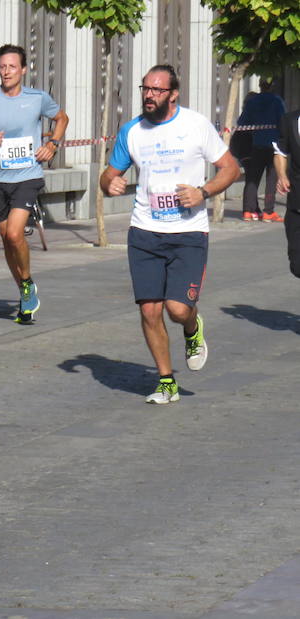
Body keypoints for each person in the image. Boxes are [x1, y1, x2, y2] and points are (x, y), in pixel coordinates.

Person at [100, 65, 240, 404]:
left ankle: (193, 327)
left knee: (177, 310)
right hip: (145, 230)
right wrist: (110, 183)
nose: (149, 95)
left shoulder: (195, 126)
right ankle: (166, 381)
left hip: (188, 232)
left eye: (157, 90)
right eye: (145, 88)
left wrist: (203, 193)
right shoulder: (131, 131)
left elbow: (231, 168)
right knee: (150, 310)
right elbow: (107, 176)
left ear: (173, 94)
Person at [0, 44, 68, 324]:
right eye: (2, 66)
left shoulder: (37, 98)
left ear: (23, 70)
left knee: (13, 235)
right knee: (9, 243)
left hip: (28, 176)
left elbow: (61, 118)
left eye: (12, 66)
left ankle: (27, 283)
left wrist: (52, 144)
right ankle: (25, 289)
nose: (6, 71)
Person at [236, 79, 286, 222]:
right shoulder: (277, 101)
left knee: (252, 179)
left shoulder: (253, 101)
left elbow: (242, 122)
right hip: (274, 145)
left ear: (260, 86)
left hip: (257, 144)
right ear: (272, 86)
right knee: (271, 180)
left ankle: (247, 211)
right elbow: (283, 120)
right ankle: (268, 212)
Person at [273, 108, 300, 277]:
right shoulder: (290, 120)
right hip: (296, 203)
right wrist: (282, 176)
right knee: (297, 264)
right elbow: (280, 152)